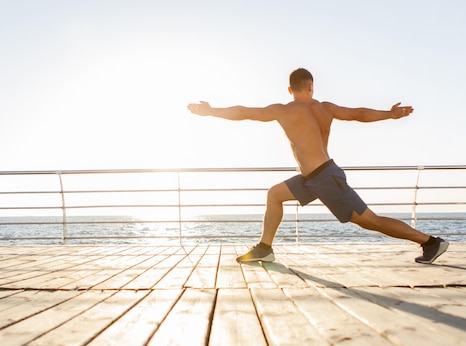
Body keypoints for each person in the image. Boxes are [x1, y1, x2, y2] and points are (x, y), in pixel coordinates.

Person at [187, 68, 448, 264]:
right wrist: (389, 114)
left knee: (371, 221)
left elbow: (244, 112)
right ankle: (265, 249)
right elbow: (359, 114)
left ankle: (430, 242)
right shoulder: (326, 108)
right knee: (275, 194)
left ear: (290, 89)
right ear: (311, 86)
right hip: (314, 177)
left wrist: (211, 111)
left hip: (324, 178)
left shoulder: (284, 110)